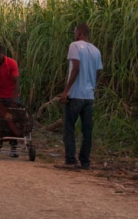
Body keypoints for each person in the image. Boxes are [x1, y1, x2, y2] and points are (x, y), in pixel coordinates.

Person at [56, 23, 103, 170]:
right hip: (89, 96)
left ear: (80, 33)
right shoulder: (96, 50)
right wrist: (92, 87)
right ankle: (85, 161)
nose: (74, 34)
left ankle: (70, 160)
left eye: (75, 32)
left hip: (76, 94)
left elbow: (75, 67)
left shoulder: (75, 46)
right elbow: (98, 73)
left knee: (69, 128)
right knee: (87, 130)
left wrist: (66, 91)